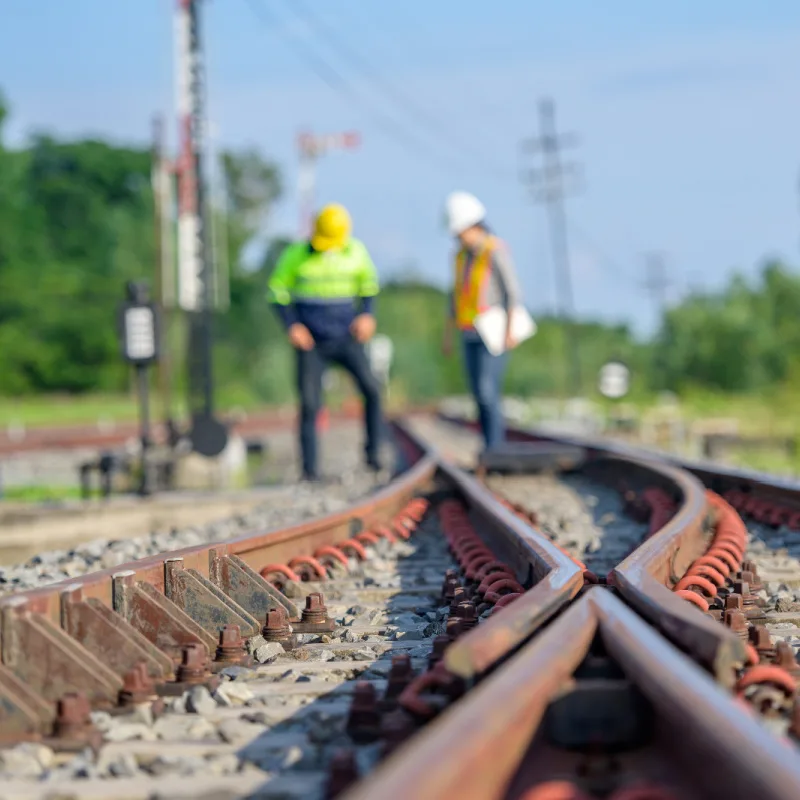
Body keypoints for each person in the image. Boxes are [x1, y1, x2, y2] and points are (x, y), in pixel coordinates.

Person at [268, 203, 383, 481]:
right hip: (311, 341)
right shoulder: (296, 254)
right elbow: (277, 292)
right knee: (310, 403)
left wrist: (367, 315)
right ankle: (310, 471)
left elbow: (369, 286)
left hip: (347, 337)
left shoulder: (356, 251)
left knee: (373, 390)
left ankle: (374, 455)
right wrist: (292, 325)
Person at [441, 191, 522, 451]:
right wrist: (447, 335)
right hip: (468, 331)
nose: (458, 238)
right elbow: (455, 297)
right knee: (477, 393)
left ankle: (496, 447)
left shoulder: (494, 251)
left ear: (473, 225)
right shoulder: (460, 256)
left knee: (488, 390)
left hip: (493, 332)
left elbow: (512, 292)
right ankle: (489, 445)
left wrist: (510, 331)